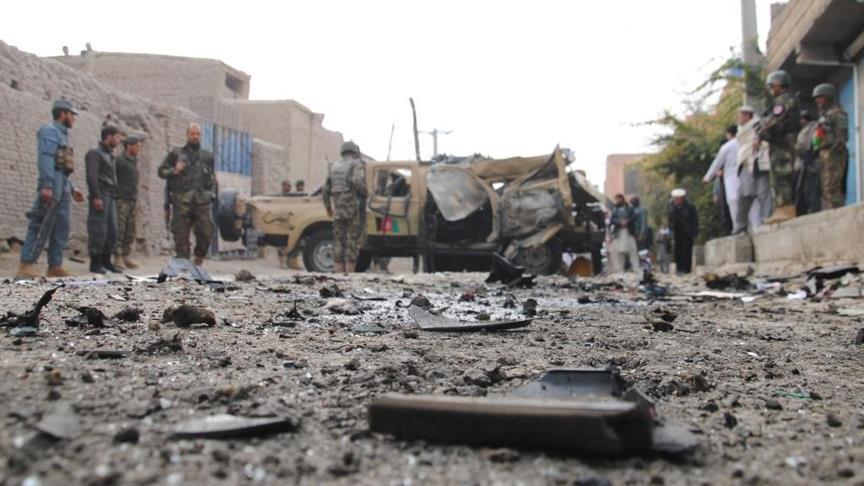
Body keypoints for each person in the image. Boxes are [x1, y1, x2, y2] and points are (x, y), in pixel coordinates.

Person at [15, 99, 86, 280]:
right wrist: (47, 185)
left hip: (62, 186)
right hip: (52, 186)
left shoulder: (63, 135)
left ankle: (55, 265)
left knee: (61, 227)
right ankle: (26, 265)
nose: (74, 118)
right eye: (71, 114)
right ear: (62, 114)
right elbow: (45, 160)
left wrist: (72, 188)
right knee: (41, 224)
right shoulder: (49, 131)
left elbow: (62, 168)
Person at [158, 123, 218, 266]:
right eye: (192, 134)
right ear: (187, 135)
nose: (195, 137)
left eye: (197, 134)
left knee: (206, 233)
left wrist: (211, 194)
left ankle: (198, 262)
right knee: (181, 237)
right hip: (182, 203)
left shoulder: (207, 156)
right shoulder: (176, 154)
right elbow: (161, 171)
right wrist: (175, 170)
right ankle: (184, 267)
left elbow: (212, 178)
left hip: (202, 202)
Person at [758, 70, 801, 223]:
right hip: (780, 144)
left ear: (779, 84)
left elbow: (773, 122)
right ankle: (781, 209)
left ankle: (786, 209)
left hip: (783, 144)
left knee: (782, 176)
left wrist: (762, 129)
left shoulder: (783, 100)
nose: (770, 88)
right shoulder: (782, 100)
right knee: (778, 177)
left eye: (772, 85)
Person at [322, 141, 367, 273]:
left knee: (338, 239)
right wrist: (365, 192)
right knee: (352, 239)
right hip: (352, 208)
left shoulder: (333, 166)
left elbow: (325, 190)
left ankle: (338, 270)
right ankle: (349, 271)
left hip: (338, 209)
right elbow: (358, 182)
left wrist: (328, 207)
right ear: (354, 152)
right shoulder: (356, 164)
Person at [85, 125, 121, 274]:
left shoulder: (110, 155)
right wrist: (96, 196)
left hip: (110, 195)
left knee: (112, 231)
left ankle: (106, 261)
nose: (119, 140)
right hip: (101, 194)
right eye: (117, 137)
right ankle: (95, 263)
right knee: (98, 229)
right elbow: (92, 176)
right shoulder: (95, 152)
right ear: (109, 136)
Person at [812, 83, 849, 210]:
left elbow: (841, 137)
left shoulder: (839, 113)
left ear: (828, 96)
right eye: (816, 98)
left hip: (834, 153)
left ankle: (837, 213)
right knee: (825, 188)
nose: (817, 101)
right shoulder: (824, 115)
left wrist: (833, 153)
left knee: (833, 186)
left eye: (820, 97)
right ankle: (831, 212)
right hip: (823, 153)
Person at [735, 106, 771, 233]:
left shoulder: (758, 126)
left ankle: (767, 219)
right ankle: (741, 226)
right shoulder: (741, 130)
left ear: (747, 116)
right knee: (744, 194)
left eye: (740, 115)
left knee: (763, 193)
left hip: (758, 161)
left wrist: (758, 142)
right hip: (746, 163)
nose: (738, 118)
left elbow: (765, 140)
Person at [113, 135, 143, 269]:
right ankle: (117, 256)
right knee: (120, 228)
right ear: (129, 146)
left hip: (132, 199)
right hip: (121, 199)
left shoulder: (134, 161)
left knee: (130, 230)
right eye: (137, 146)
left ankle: (126, 255)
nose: (139, 148)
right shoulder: (120, 160)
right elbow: (113, 177)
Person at [703, 125, 739, 234]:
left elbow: (717, 163)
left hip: (731, 179)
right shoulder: (744, 142)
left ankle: (738, 228)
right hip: (746, 176)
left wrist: (707, 177)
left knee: (733, 202)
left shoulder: (726, 147)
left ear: (729, 134)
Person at [794, 110, 820, 215]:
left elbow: (815, 143)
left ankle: (813, 210)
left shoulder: (813, 127)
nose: (802, 121)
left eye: (804, 118)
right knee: (802, 190)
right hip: (802, 163)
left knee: (811, 189)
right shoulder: (804, 130)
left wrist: (811, 154)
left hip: (810, 162)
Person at [668, 188, 698, 274]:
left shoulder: (690, 206)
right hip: (677, 230)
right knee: (678, 249)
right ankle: (679, 268)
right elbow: (670, 218)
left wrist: (695, 231)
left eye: (677, 198)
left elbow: (694, 219)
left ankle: (686, 269)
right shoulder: (671, 205)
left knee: (687, 249)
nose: (676, 199)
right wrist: (670, 229)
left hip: (687, 230)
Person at [607, 194, 639, 273]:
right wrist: (619, 223)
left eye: (619, 199)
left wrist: (627, 221)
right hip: (618, 232)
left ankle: (636, 268)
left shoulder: (629, 208)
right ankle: (620, 270)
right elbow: (612, 220)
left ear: (622, 199)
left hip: (629, 231)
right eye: (616, 199)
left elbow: (635, 217)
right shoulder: (614, 209)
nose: (618, 201)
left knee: (633, 250)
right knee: (619, 252)